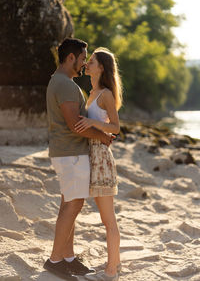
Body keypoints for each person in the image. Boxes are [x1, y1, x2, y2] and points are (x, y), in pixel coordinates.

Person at [43, 38, 112, 281]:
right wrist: (102, 136)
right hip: (70, 153)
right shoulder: (65, 85)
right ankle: (54, 260)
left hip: (68, 153)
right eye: (83, 58)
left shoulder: (61, 82)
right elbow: (75, 125)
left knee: (68, 204)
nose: (84, 64)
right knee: (73, 206)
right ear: (70, 57)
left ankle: (68, 258)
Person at [74, 48, 123, 281]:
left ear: (101, 67)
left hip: (101, 158)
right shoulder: (92, 92)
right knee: (106, 218)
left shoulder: (105, 94)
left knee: (108, 219)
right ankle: (116, 263)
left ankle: (111, 271)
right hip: (90, 155)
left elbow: (115, 127)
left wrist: (91, 122)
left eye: (91, 62)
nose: (87, 65)